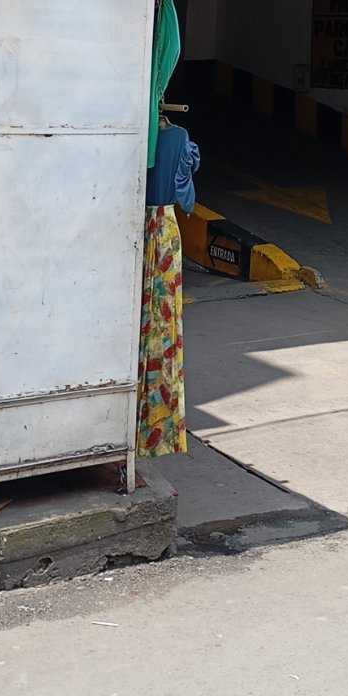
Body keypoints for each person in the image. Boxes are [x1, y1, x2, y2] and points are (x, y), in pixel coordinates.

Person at [137, 115, 200, 457]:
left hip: (138, 227)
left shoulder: (135, 132)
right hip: (163, 232)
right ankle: (158, 424)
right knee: (162, 325)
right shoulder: (178, 138)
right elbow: (185, 190)